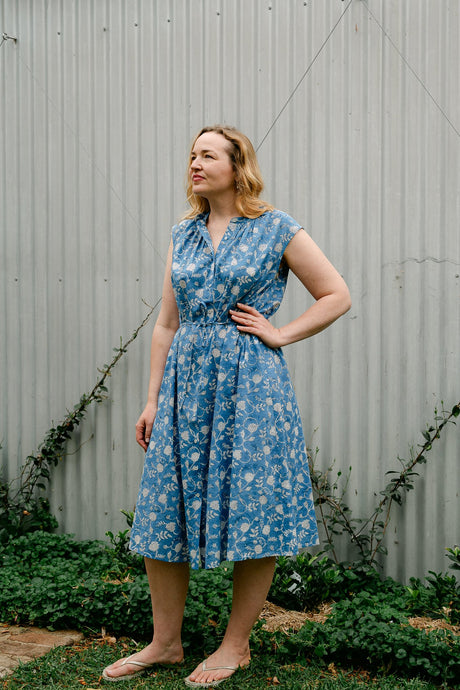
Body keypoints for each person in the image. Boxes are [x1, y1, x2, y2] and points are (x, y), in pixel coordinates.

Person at [102, 125, 351, 686]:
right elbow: (166, 322)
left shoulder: (276, 227)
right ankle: (165, 643)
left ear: (238, 166)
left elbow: (337, 293)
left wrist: (282, 334)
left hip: (251, 386)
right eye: (191, 154)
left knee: (251, 508)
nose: (195, 162)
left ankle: (234, 645)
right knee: (165, 505)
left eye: (208, 154)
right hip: (185, 387)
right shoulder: (182, 235)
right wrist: (150, 400)